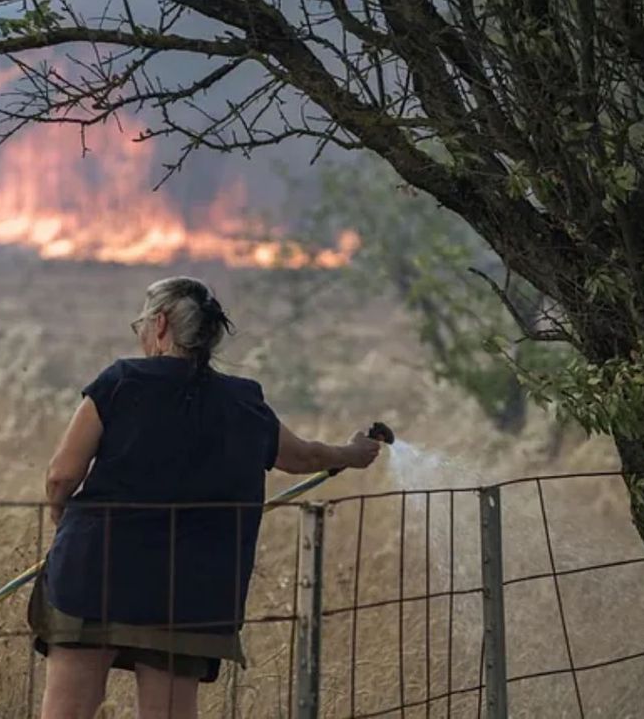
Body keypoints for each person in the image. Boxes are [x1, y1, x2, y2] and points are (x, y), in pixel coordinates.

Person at [28, 276, 382, 719]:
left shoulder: (121, 381)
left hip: (93, 576)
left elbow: (61, 477)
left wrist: (64, 525)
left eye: (140, 324)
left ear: (159, 325)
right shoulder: (243, 402)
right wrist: (351, 453)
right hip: (190, 595)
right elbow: (305, 455)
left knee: (68, 711)